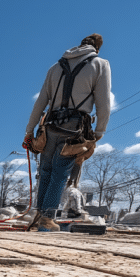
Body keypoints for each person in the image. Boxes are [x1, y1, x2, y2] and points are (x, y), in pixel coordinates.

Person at [24, 33, 111, 232]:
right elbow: (104, 102)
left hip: (50, 125)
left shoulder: (55, 68)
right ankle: (47, 219)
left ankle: (39, 217)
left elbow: (40, 102)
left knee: (45, 171)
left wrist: (29, 130)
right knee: (60, 172)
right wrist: (99, 132)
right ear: (97, 49)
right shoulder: (100, 64)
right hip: (74, 127)